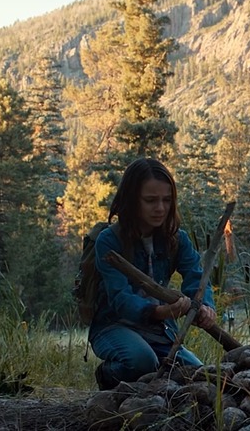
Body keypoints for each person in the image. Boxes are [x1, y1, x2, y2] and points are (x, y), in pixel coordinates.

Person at [89, 157, 217, 389]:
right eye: (150, 200)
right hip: (113, 327)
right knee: (142, 362)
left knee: (198, 376)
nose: (160, 208)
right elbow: (120, 299)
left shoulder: (177, 239)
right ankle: (108, 375)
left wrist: (205, 305)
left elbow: (195, 276)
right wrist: (160, 311)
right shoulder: (108, 241)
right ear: (131, 200)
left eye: (166, 200)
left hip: (159, 332)